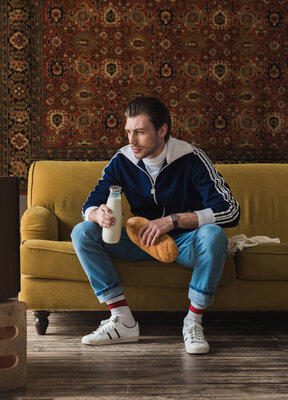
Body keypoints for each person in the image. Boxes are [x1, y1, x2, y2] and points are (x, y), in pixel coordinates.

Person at [70, 97, 240, 354]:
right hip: (141, 241)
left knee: (213, 235)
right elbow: (89, 205)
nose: (131, 141)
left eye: (139, 132)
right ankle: (122, 320)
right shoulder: (122, 160)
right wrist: (99, 214)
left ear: (162, 130)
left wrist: (174, 220)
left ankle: (193, 322)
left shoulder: (191, 158)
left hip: (186, 243)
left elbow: (230, 211)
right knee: (82, 231)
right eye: (128, 132)